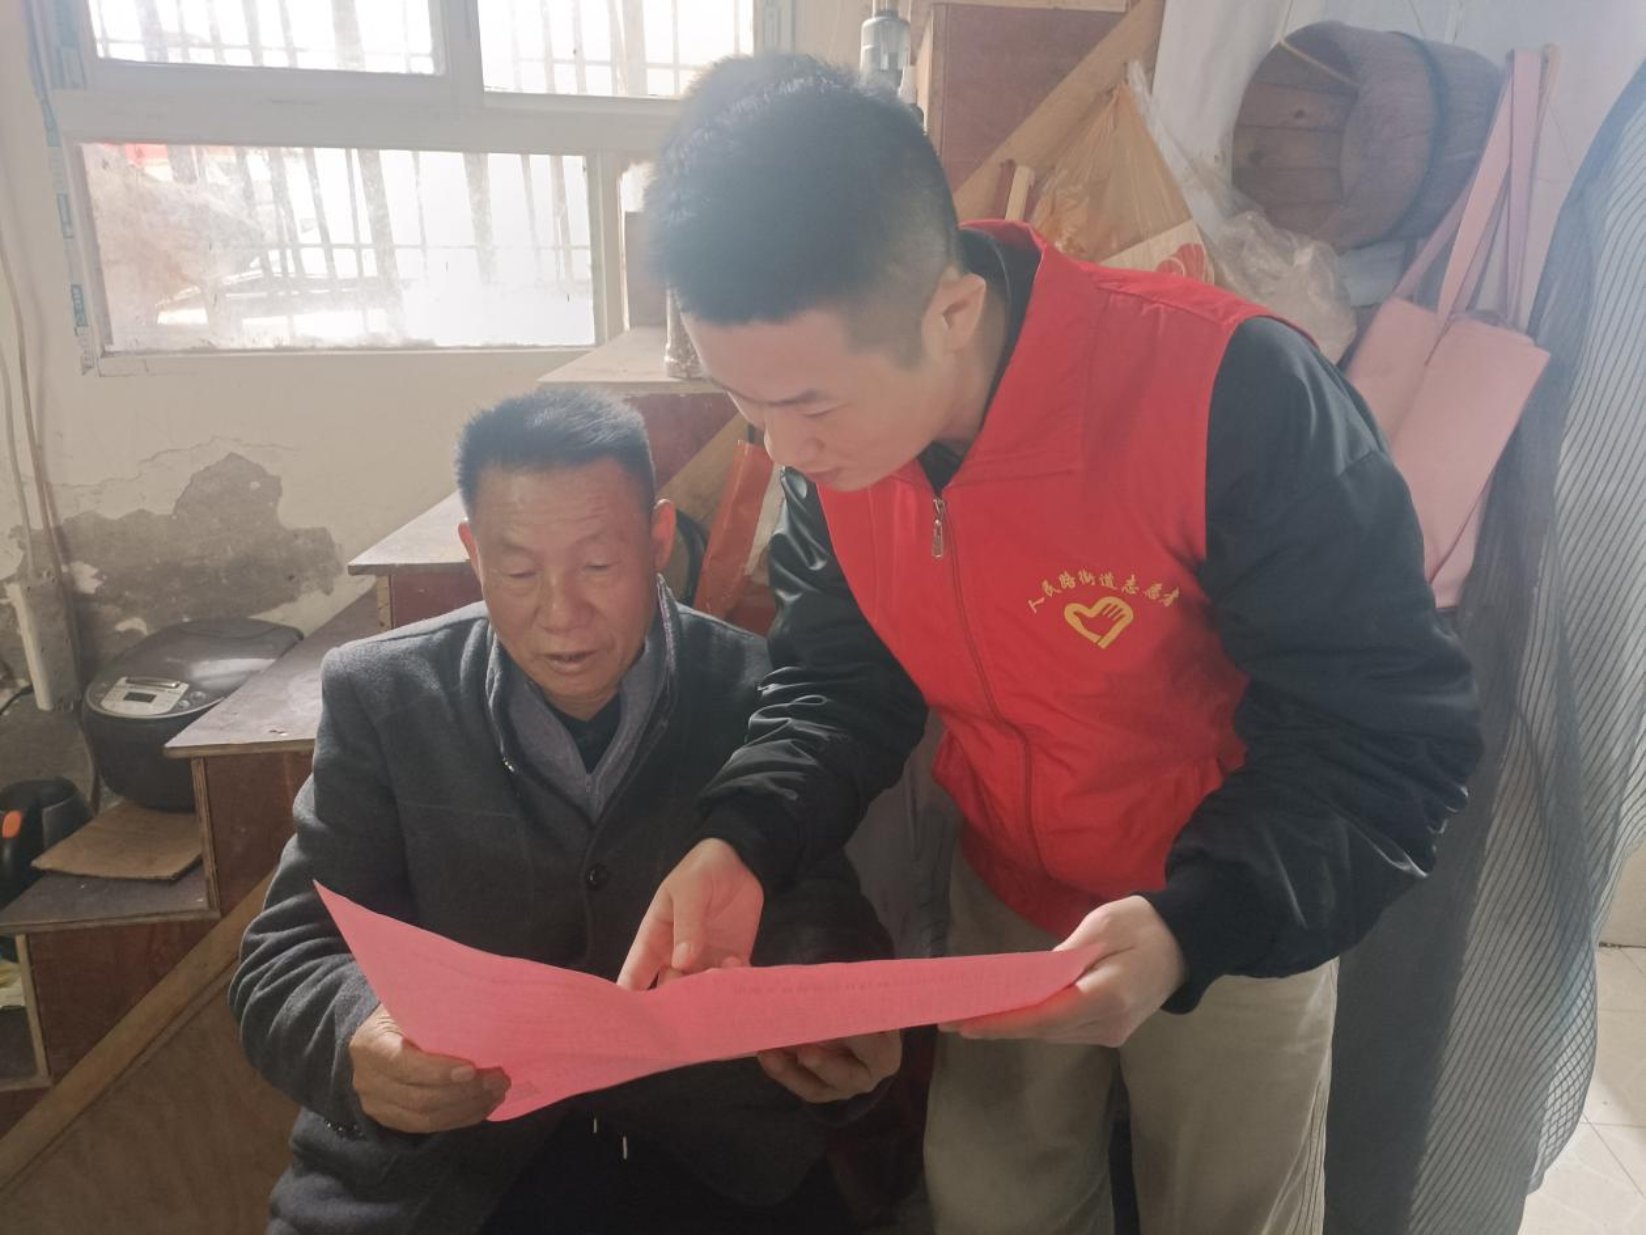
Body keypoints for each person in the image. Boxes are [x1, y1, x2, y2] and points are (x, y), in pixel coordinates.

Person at [617, 55, 1485, 1235]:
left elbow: (1383, 735)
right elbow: (835, 678)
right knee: (991, 1199)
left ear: (948, 312)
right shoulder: (835, 451)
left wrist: (1192, 923)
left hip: (1232, 895)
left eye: (808, 404)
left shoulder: (1231, 393)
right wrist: (744, 839)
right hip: (1010, 894)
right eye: (745, 402)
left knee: (1224, 1211)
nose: (782, 450)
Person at [230, 388, 900, 1235]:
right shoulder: (385, 697)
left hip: (708, 1163)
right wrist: (358, 1030)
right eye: (519, 572)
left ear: (658, 540)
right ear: (473, 555)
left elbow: (817, 905)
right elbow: (285, 956)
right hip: (453, 1172)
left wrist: (827, 1009)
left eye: (598, 566)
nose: (561, 614)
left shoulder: (758, 692)